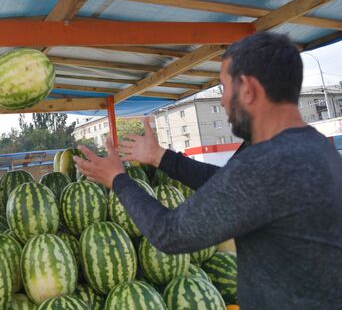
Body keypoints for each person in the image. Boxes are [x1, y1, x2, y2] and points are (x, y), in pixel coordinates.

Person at [74, 32, 342, 308]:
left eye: (224, 88)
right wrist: (160, 157)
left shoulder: (266, 164)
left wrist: (117, 179)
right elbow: (226, 185)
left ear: (248, 89)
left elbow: (171, 233)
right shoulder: (315, 149)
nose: (223, 101)